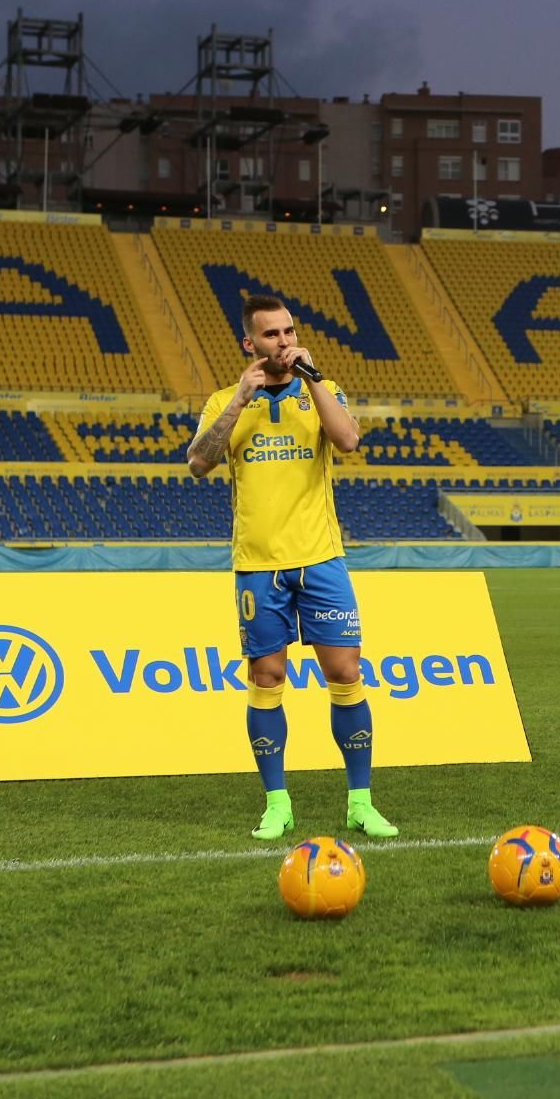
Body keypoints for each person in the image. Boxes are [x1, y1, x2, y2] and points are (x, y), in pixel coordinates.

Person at [186, 294, 396, 841]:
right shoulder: (222, 402)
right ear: (249, 343)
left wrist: (314, 379)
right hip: (258, 566)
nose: (283, 341)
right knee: (267, 677)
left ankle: (360, 802)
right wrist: (239, 399)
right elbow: (199, 463)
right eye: (272, 334)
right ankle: (277, 803)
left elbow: (349, 440)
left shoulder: (319, 389)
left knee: (346, 673)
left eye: (288, 331)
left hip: (322, 558)